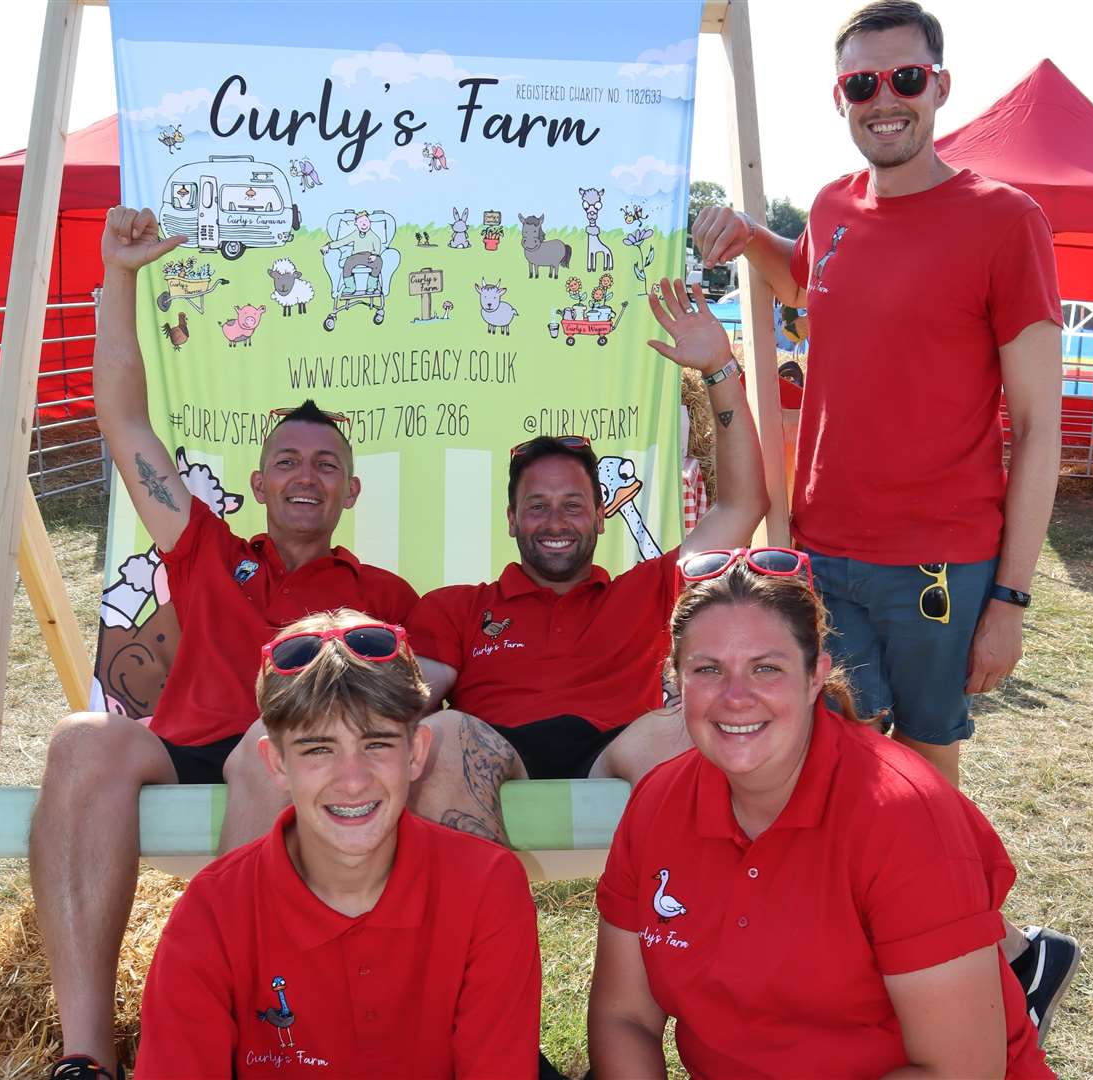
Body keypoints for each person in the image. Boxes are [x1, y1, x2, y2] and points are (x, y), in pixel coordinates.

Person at [691, 0, 1078, 1040]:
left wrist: (1009, 597)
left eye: (904, 80)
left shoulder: (1006, 220)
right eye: (862, 85)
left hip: (938, 572)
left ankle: (998, 977)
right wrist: (751, 241)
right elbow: (812, 281)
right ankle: (962, 966)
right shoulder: (830, 207)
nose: (884, 101)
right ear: (841, 99)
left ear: (939, 86)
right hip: (820, 555)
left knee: (920, 802)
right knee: (839, 783)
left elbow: (1037, 428)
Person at [38, 207, 420, 1080]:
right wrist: (122, 278)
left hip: (282, 761)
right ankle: (85, 1059)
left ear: (350, 489)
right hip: (179, 750)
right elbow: (124, 423)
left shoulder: (383, 596)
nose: (305, 476)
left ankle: (239, 1047)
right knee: (82, 741)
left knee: (264, 750)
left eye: (325, 464)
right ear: (257, 483)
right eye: (287, 461)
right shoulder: (206, 547)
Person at [588, 549, 1054, 1078]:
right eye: (708, 669)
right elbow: (623, 1017)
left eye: (766, 668)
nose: (735, 697)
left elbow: (959, 1071)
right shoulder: (656, 803)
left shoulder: (902, 816)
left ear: (816, 677)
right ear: (675, 682)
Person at [399, 276, 770, 839]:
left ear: (601, 516)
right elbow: (408, 700)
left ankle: (685, 924)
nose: (555, 522)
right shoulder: (456, 607)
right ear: (511, 520)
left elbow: (743, 505)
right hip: (498, 747)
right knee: (446, 732)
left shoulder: (648, 590)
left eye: (573, 505)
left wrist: (718, 370)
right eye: (537, 506)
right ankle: (480, 924)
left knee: (682, 725)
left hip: (618, 745)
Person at [136, 610, 540, 1077]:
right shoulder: (211, 909)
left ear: (416, 753)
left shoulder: (486, 885)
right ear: (277, 764)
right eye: (318, 749)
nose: (353, 781)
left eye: (376, 744)